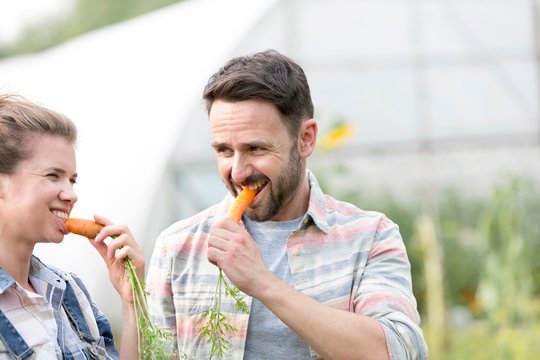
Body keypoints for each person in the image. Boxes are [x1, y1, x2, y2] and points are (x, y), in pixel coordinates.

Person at [147, 50, 428, 359]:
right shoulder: (176, 248)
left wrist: (263, 282)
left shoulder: (370, 236)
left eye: (256, 148)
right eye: (224, 151)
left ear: (305, 138)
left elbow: (398, 351)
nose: (238, 172)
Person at [0, 94, 144, 359]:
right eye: (52, 175)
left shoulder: (69, 290)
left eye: (72, 180)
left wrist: (132, 301)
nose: (71, 195)